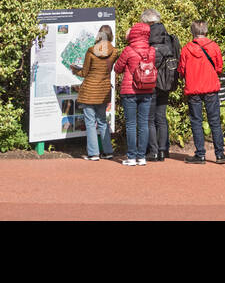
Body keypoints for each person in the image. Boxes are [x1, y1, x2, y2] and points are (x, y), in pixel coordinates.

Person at [180, 20, 225, 164]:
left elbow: (182, 70)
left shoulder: (187, 48)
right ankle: (220, 154)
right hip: (211, 87)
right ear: (206, 31)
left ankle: (200, 154)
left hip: (193, 88)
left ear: (192, 32)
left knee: (196, 121)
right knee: (214, 121)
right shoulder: (214, 47)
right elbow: (219, 68)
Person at [72, 25, 119, 160]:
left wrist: (75, 70)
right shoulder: (114, 52)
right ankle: (108, 151)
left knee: (90, 122)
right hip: (103, 91)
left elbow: (85, 72)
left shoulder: (91, 51)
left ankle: (93, 153)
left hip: (89, 91)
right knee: (103, 121)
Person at [113, 20, 156, 166]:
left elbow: (117, 69)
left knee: (131, 124)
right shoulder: (152, 51)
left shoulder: (128, 50)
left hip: (130, 90)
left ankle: (131, 157)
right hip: (147, 89)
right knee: (143, 123)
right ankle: (141, 157)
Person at [143, 9, 181, 163]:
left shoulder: (148, 39)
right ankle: (164, 150)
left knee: (149, 119)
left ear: (147, 22)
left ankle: (153, 151)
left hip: (150, 83)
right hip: (167, 82)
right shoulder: (169, 38)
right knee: (161, 117)